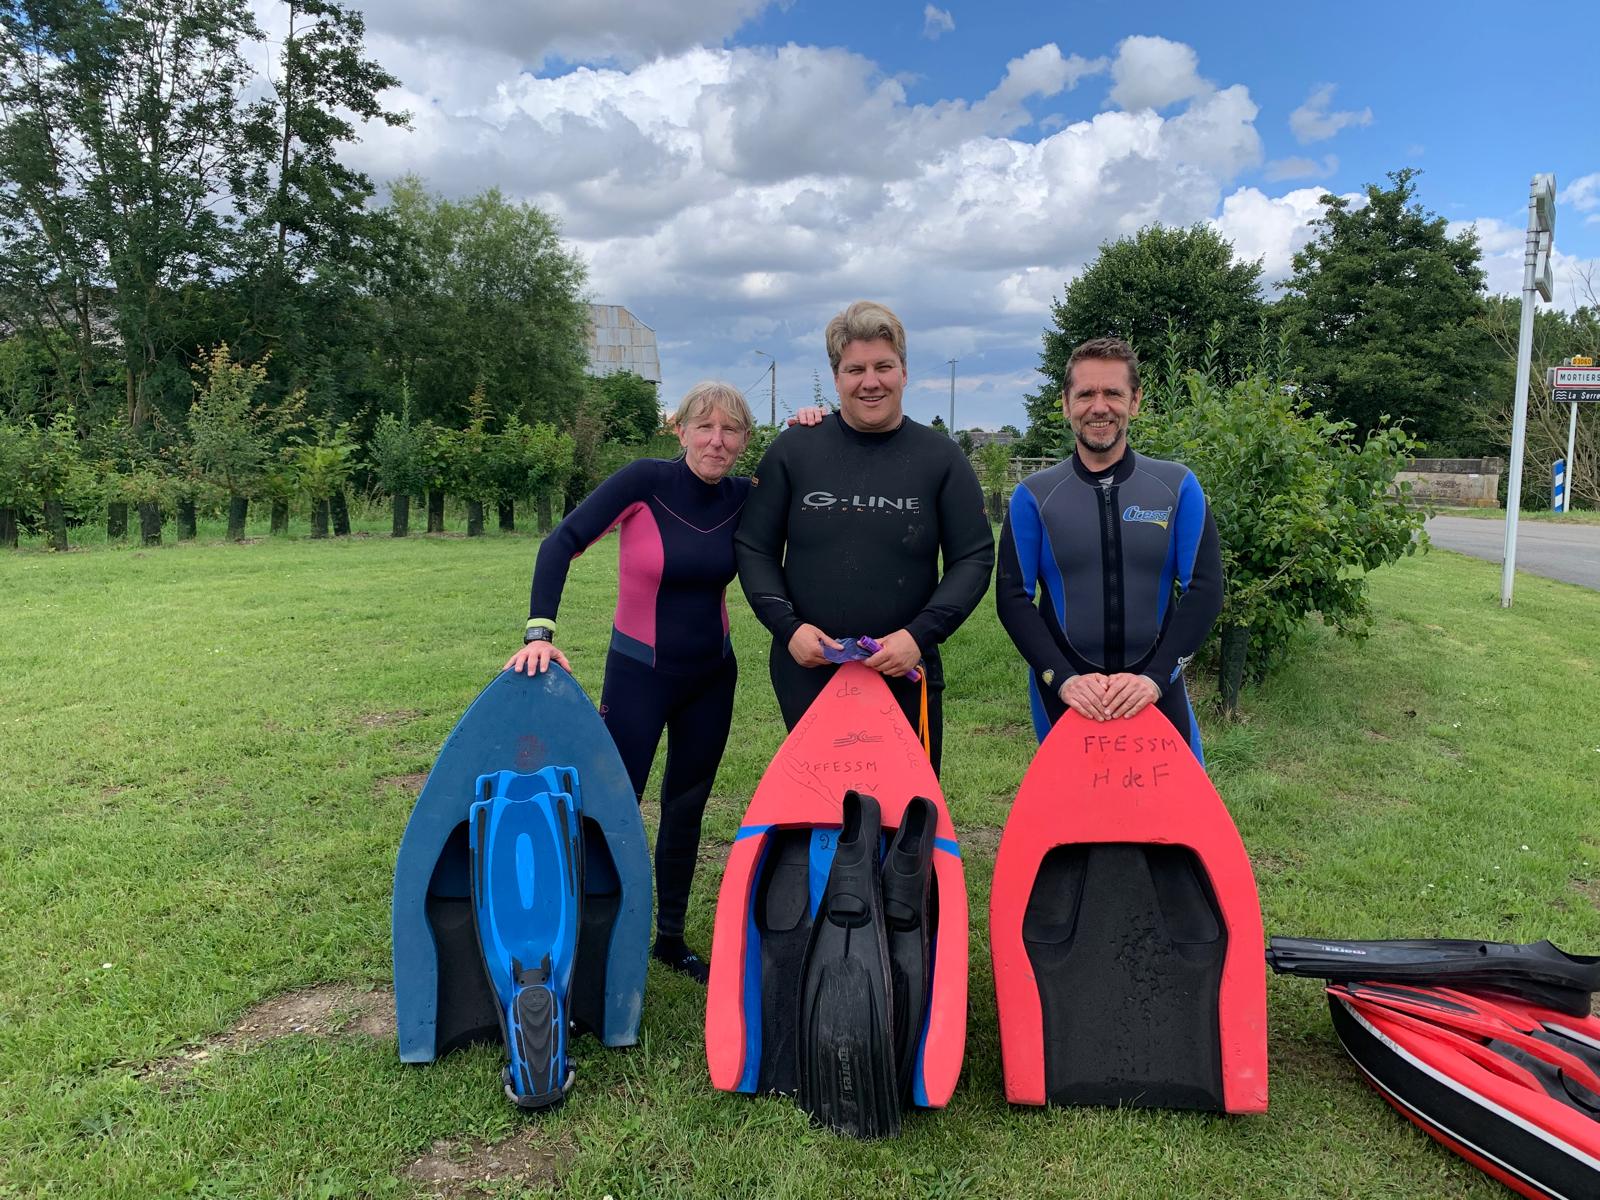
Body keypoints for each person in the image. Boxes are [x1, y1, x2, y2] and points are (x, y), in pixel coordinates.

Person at [505, 381, 822, 983]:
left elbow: (809, 489)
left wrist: (812, 427)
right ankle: (589, 939)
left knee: (687, 807)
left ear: (744, 440)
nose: (716, 440)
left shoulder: (745, 497)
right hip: (639, 675)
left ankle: (670, 939)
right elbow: (561, 542)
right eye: (704, 427)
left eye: (731, 430)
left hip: (711, 676)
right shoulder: (644, 481)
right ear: (680, 431)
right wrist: (539, 632)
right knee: (612, 805)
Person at [734, 300, 995, 774]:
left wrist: (917, 636)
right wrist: (787, 628)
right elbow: (754, 547)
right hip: (809, 667)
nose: (870, 381)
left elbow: (974, 558)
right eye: (855, 369)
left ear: (904, 373)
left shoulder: (940, 458)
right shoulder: (794, 450)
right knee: (820, 802)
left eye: (883, 367)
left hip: (904, 667)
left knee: (906, 807)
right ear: (837, 379)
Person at [994, 336, 1223, 761]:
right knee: (1073, 806)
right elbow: (1012, 598)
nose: (1099, 407)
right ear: (1066, 404)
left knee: (1177, 805)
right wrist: (1063, 679)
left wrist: (1155, 679)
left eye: (1113, 393)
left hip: (1155, 687)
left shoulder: (1177, 487)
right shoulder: (1034, 497)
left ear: (1135, 402)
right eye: (1085, 394)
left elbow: (1205, 589)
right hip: (1067, 692)